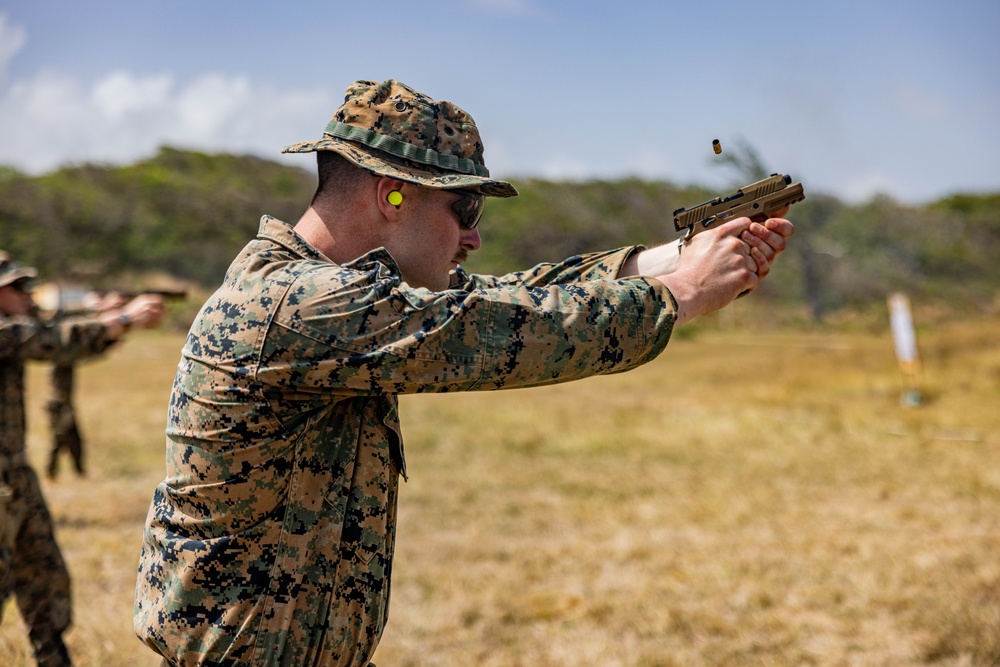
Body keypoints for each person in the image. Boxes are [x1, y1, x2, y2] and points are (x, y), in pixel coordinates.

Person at [134, 78, 794, 667]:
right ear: (391, 194)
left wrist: (676, 256)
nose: (472, 237)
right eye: (464, 209)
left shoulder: (323, 295)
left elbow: (506, 295)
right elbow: (503, 328)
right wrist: (679, 292)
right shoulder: (298, 303)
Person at [0, 253, 165, 667]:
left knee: (44, 577)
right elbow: (48, 340)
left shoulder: (16, 325)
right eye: (14, 286)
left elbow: (53, 328)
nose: (25, 294)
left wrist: (107, 317)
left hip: (15, 476)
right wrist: (123, 320)